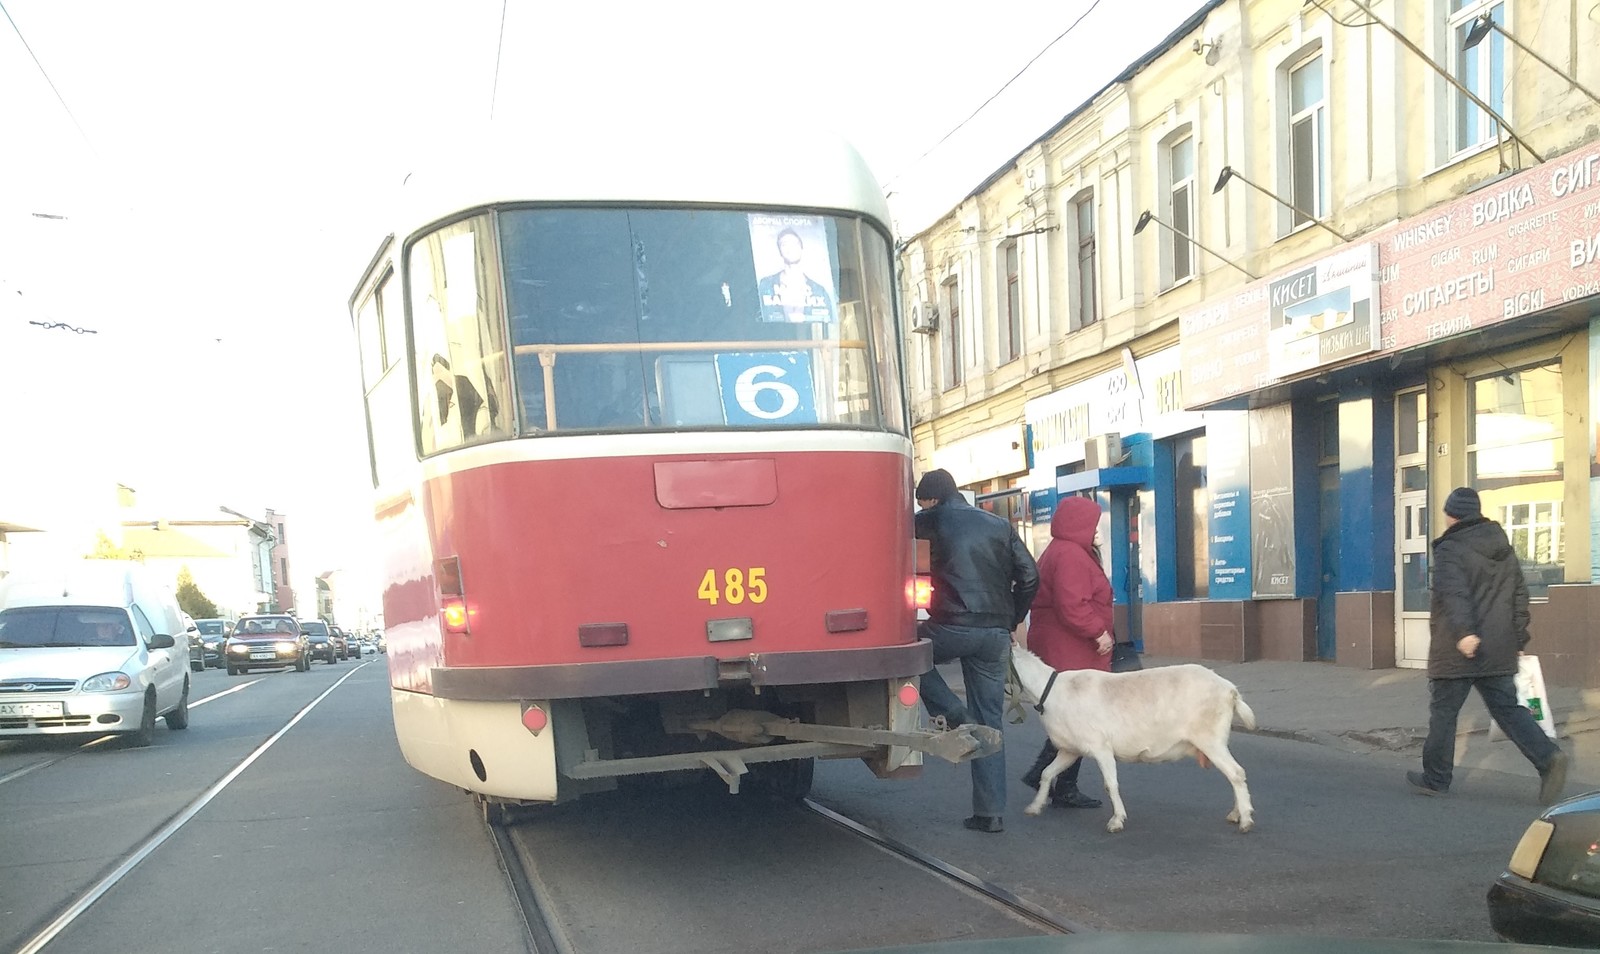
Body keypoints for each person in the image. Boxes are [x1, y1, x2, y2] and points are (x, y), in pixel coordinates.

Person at [1407, 486, 1569, 803]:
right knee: (1508, 710)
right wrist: (1518, 637)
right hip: (1499, 646)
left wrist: (1465, 634)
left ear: (1452, 515)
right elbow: (1520, 595)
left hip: (1458, 649)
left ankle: (1436, 778)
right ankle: (1549, 758)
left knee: (1444, 712)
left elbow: (1454, 594)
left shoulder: (1451, 548)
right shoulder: (1502, 546)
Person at [914, 468, 1039, 833]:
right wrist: (1012, 619)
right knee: (990, 722)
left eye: (923, 500)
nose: (921, 506)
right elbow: (1030, 575)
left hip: (950, 626)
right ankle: (990, 813)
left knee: (905, 655)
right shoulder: (997, 524)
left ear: (932, 498)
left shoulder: (925, 522)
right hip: (995, 633)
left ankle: (954, 714)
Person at [1019, 495, 1111, 810]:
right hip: (1071, 647)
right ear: (1080, 525)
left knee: (1072, 716)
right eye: (1094, 524)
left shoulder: (1060, 550)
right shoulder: (1071, 554)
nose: (1097, 531)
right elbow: (1072, 604)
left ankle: (1056, 782)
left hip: (1060, 643)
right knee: (1078, 717)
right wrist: (1098, 632)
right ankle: (1054, 780)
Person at [757, 228, 835, 324]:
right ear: (779, 251)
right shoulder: (766, 285)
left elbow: (829, 326)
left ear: (801, 248)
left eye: (794, 243)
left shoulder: (819, 291)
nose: (790, 248)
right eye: (784, 244)